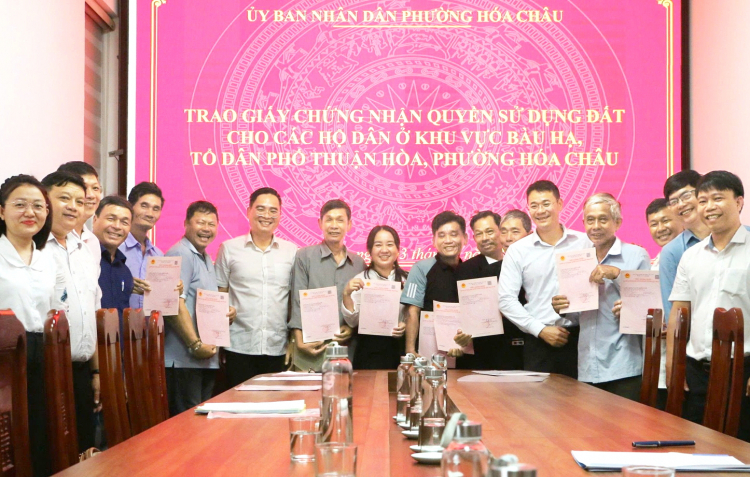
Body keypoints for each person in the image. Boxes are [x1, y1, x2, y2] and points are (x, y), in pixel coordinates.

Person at [666, 171, 750, 441]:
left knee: (742, 450)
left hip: (744, 371)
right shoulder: (690, 256)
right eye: (703, 201)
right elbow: (678, 314)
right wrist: (673, 366)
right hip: (698, 372)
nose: (709, 207)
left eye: (718, 198)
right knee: (699, 448)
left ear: (738, 202)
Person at [552, 193, 649, 400]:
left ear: (617, 222)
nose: (596, 226)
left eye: (603, 219)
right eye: (590, 220)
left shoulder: (636, 255)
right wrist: (563, 308)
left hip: (624, 364)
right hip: (588, 365)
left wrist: (617, 274)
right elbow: (578, 317)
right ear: (584, 224)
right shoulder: (577, 260)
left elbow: (646, 310)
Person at [0, 175, 64, 477]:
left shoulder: (48, 260)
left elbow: (57, 312)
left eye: (38, 206)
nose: (30, 212)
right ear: (1, 211)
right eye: (20, 205)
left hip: (43, 355)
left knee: (40, 435)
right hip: (4, 358)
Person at [498, 180, 591, 378]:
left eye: (546, 204)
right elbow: (506, 300)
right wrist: (540, 330)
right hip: (539, 341)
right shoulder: (518, 250)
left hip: (582, 337)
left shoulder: (585, 242)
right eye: (534, 205)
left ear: (560, 204)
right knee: (538, 398)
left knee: (582, 396)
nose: (540, 211)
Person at [41, 171, 100, 453]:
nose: (73, 207)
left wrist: (96, 371)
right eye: (64, 198)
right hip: (44, 373)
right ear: (45, 202)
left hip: (81, 372)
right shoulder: (34, 249)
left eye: (79, 200)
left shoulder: (84, 250)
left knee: (84, 452)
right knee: (52, 455)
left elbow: (92, 312)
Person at [215, 188, 297, 386]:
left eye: (273, 210)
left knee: (274, 404)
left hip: (277, 348)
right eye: (260, 209)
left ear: (280, 215)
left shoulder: (292, 252)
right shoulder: (229, 249)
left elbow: (293, 301)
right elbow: (219, 294)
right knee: (239, 403)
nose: (267, 215)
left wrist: (293, 342)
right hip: (238, 347)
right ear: (249, 211)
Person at [164, 200, 235, 415]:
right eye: (200, 222)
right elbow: (174, 305)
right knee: (187, 423)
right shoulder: (180, 254)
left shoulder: (205, 257)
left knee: (201, 422)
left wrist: (225, 313)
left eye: (211, 224)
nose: (206, 229)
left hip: (204, 360)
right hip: (184, 359)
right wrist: (195, 345)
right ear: (186, 224)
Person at [288, 199, 365, 372]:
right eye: (329, 219)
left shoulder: (359, 263)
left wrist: (351, 328)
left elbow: (361, 305)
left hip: (345, 350)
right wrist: (298, 339)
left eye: (340, 220)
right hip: (310, 347)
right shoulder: (304, 256)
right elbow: (297, 300)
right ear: (320, 223)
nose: (334, 225)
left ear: (349, 224)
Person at [454, 211, 527, 370]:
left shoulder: (520, 263)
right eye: (479, 234)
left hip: (519, 348)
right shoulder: (465, 270)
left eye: (489, 231)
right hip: (482, 353)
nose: (485, 238)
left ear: (501, 232)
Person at [401, 211, 468, 357]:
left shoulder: (470, 270)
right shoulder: (420, 269)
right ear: (433, 240)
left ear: (465, 238)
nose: (448, 240)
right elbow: (412, 311)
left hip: (463, 350)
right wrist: (410, 350)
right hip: (428, 352)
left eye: (454, 234)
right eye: (442, 235)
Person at [342, 225, 408, 369]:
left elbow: (415, 315)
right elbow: (352, 322)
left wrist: (405, 325)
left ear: (398, 249)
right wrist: (346, 295)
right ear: (370, 250)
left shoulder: (408, 280)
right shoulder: (360, 280)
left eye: (389, 244)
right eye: (378, 245)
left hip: (400, 350)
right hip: (369, 352)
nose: (384, 250)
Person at [659, 170, 709, 318]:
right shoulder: (671, 252)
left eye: (686, 196)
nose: (681, 204)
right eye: (674, 201)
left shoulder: (742, 235)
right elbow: (672, 312)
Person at [119, 182, 165, 309]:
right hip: (117, 320)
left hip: (150, 321)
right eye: (144, 206)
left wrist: (173, 288)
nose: (150, 214)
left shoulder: (158, 255)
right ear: (130, 207)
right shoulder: (115, 247)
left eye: (156, 209)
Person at [92, 195, 134, 334]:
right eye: (111, 219)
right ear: (95, 220)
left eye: (124, 222)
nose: (117, 226)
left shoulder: (124, 270)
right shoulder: (84, 259)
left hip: (118, 346)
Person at [57, 161, 103, 262]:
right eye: (83, 188)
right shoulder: (51, 237)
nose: (91, 195)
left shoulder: (93, 241)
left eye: (95, 188)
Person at [645, 198, 683, 269]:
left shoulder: (695, 255)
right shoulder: (651, 267)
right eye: (654, 224)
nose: (660, 229)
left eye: (665, 221)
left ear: (682, 220)